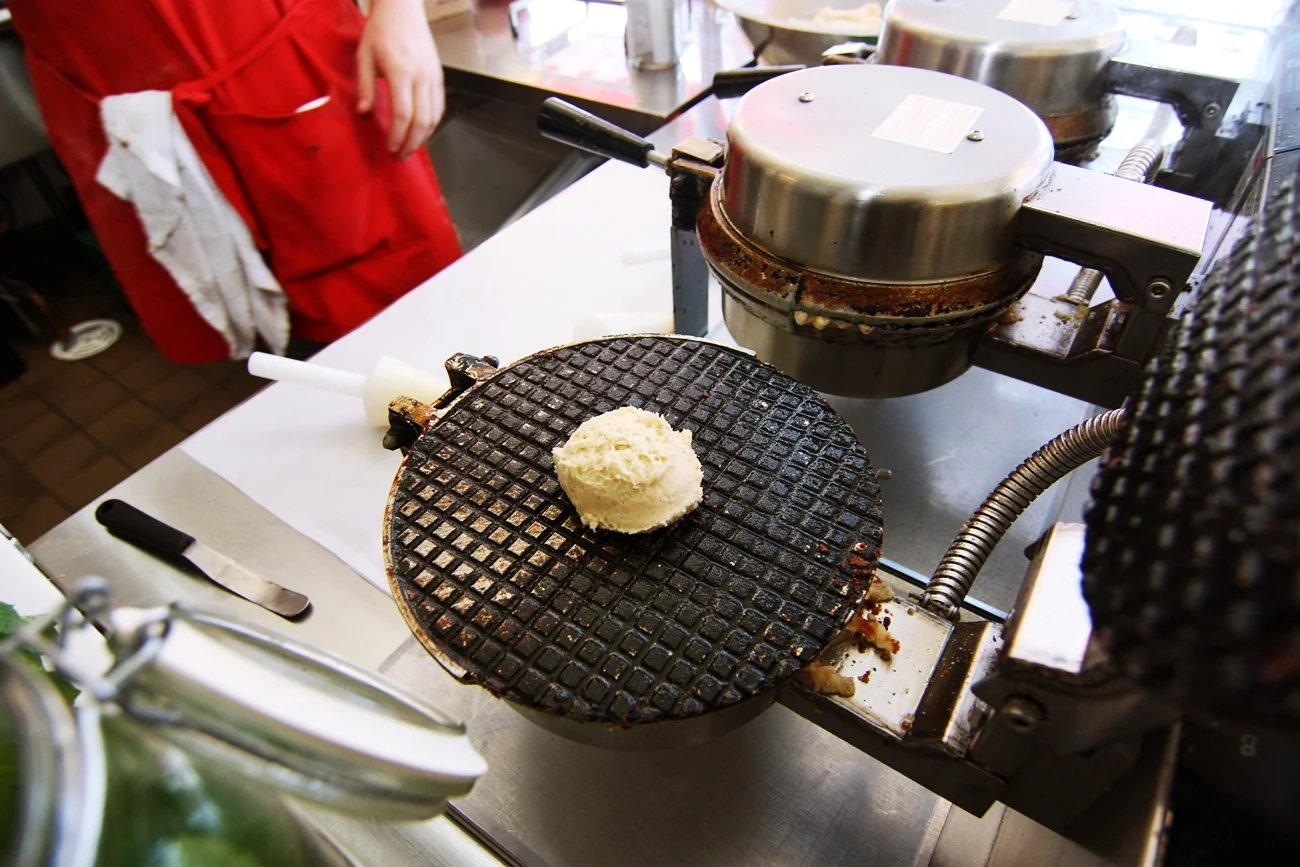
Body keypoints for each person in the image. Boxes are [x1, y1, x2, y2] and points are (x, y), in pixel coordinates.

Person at [9, 0, 461, 362]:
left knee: (411, 316)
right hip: (115, 109)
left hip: (291, 69)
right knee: (283, 356)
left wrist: (399, 7)